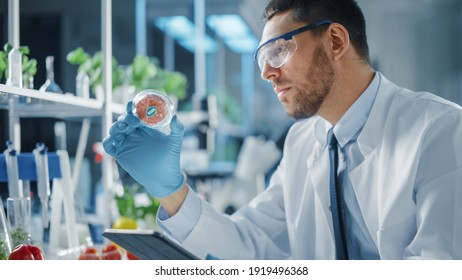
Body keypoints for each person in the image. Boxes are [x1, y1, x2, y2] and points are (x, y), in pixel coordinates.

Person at [103, 0, 462, 260]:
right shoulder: (303, 142)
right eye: (262, 59)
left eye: (278, 51)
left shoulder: (441, 131)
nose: (266, 73)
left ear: (336, 41)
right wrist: (171, 190)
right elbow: (249, 246)